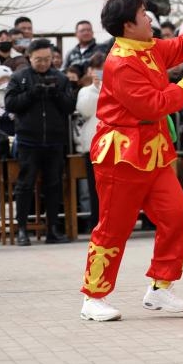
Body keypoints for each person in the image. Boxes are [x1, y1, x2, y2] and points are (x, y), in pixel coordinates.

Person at [78, 0, 183, 322]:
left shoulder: (149, 48)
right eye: (143, 14)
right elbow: (151, 105)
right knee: (114, 227)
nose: (150, 18)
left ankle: (160, 287)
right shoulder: (121, 62)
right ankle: (93, 295)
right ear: (128, 24)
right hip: (121, 155)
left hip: (153, 152)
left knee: (178, 215)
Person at [4, 39, 77, 246]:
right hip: (28, 141)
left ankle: (53, 229)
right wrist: (31, 94)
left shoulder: (60, 78)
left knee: (54, 185)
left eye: (47, 59)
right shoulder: (19, 78)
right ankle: (22, 231)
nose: (44, 63)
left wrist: (55, 94)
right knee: (25, 185)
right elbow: (10, 104)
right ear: (30, 57)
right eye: (39, 59)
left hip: (54, 141)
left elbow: (70, 106)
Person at [74, 53, 106, 231]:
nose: (99, 72)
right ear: (89, 71)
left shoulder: (117, 85)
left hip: (114, 144)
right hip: (93, 145)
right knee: (94, 188)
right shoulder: (85, 91)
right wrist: (95, 88)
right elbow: (84, 110)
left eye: (103, 68)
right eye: (96, 68)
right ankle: (97, 223)